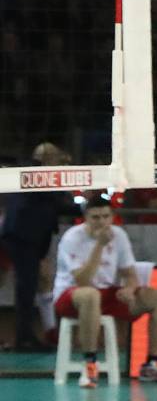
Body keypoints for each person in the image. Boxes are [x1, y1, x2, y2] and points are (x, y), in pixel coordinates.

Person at [52, 194, 157, 387]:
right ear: (86, 218)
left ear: (112, 217)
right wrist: (99, 245)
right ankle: (90, 364)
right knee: (90, 295)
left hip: (106, 293)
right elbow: (83, 280)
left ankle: (152, 364)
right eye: (96, 217)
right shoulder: (72, 238)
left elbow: (129, 273)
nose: (101, 222)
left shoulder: (119, 235)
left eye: (106, 217)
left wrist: (129, 289)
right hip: (71, 295)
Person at [1, 141, 72, 351]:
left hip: (23, 238)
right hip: (22, 238)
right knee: (26, 289)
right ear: (48, 159)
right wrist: (84, 207)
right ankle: (24, 339)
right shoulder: (38, 175)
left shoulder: (32, 172)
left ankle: (30, 335)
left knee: (31, 286)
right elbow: (60, 202)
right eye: (57, 159)